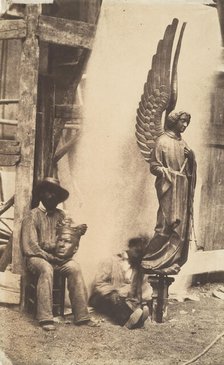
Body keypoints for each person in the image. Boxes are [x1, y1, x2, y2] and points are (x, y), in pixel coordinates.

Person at [22, 177, 98, 331]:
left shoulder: (61, 215)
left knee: (74, 267)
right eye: (50, 192)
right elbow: (30, 246)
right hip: (37, 258)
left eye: (56, 193)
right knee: (46, 268)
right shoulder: (32, 215)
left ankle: (82, 316)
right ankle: (45, 317)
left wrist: (78, 232)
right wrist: (50, 256)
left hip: (56, 259)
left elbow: (68, 239)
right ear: (42, 194)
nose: (54, 196)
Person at [141, 111, 197, 274]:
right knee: (164, 227)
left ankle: (170, 261)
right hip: (169, 190)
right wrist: (169, 173)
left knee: (180, 228)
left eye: (187, 122)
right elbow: (154, 166)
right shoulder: (162, 141)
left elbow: (190, 171)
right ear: (174, 121)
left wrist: (191, 158)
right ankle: (150, 259)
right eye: (182, 121)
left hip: (182, 192)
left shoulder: (184, 144)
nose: (185, 125)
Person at [89, 236, 152, 329]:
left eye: (141, 253)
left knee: (127, 304)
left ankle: (137, 320)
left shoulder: (137, 267)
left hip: (121, 300)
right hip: (100, 297)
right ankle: (128, 321)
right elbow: (98, 283)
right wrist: (113, 292)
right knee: (114, 299)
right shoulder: (111, 261)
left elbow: (136, 292)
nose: (138, 255)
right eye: (136, 250)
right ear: (130, 248)